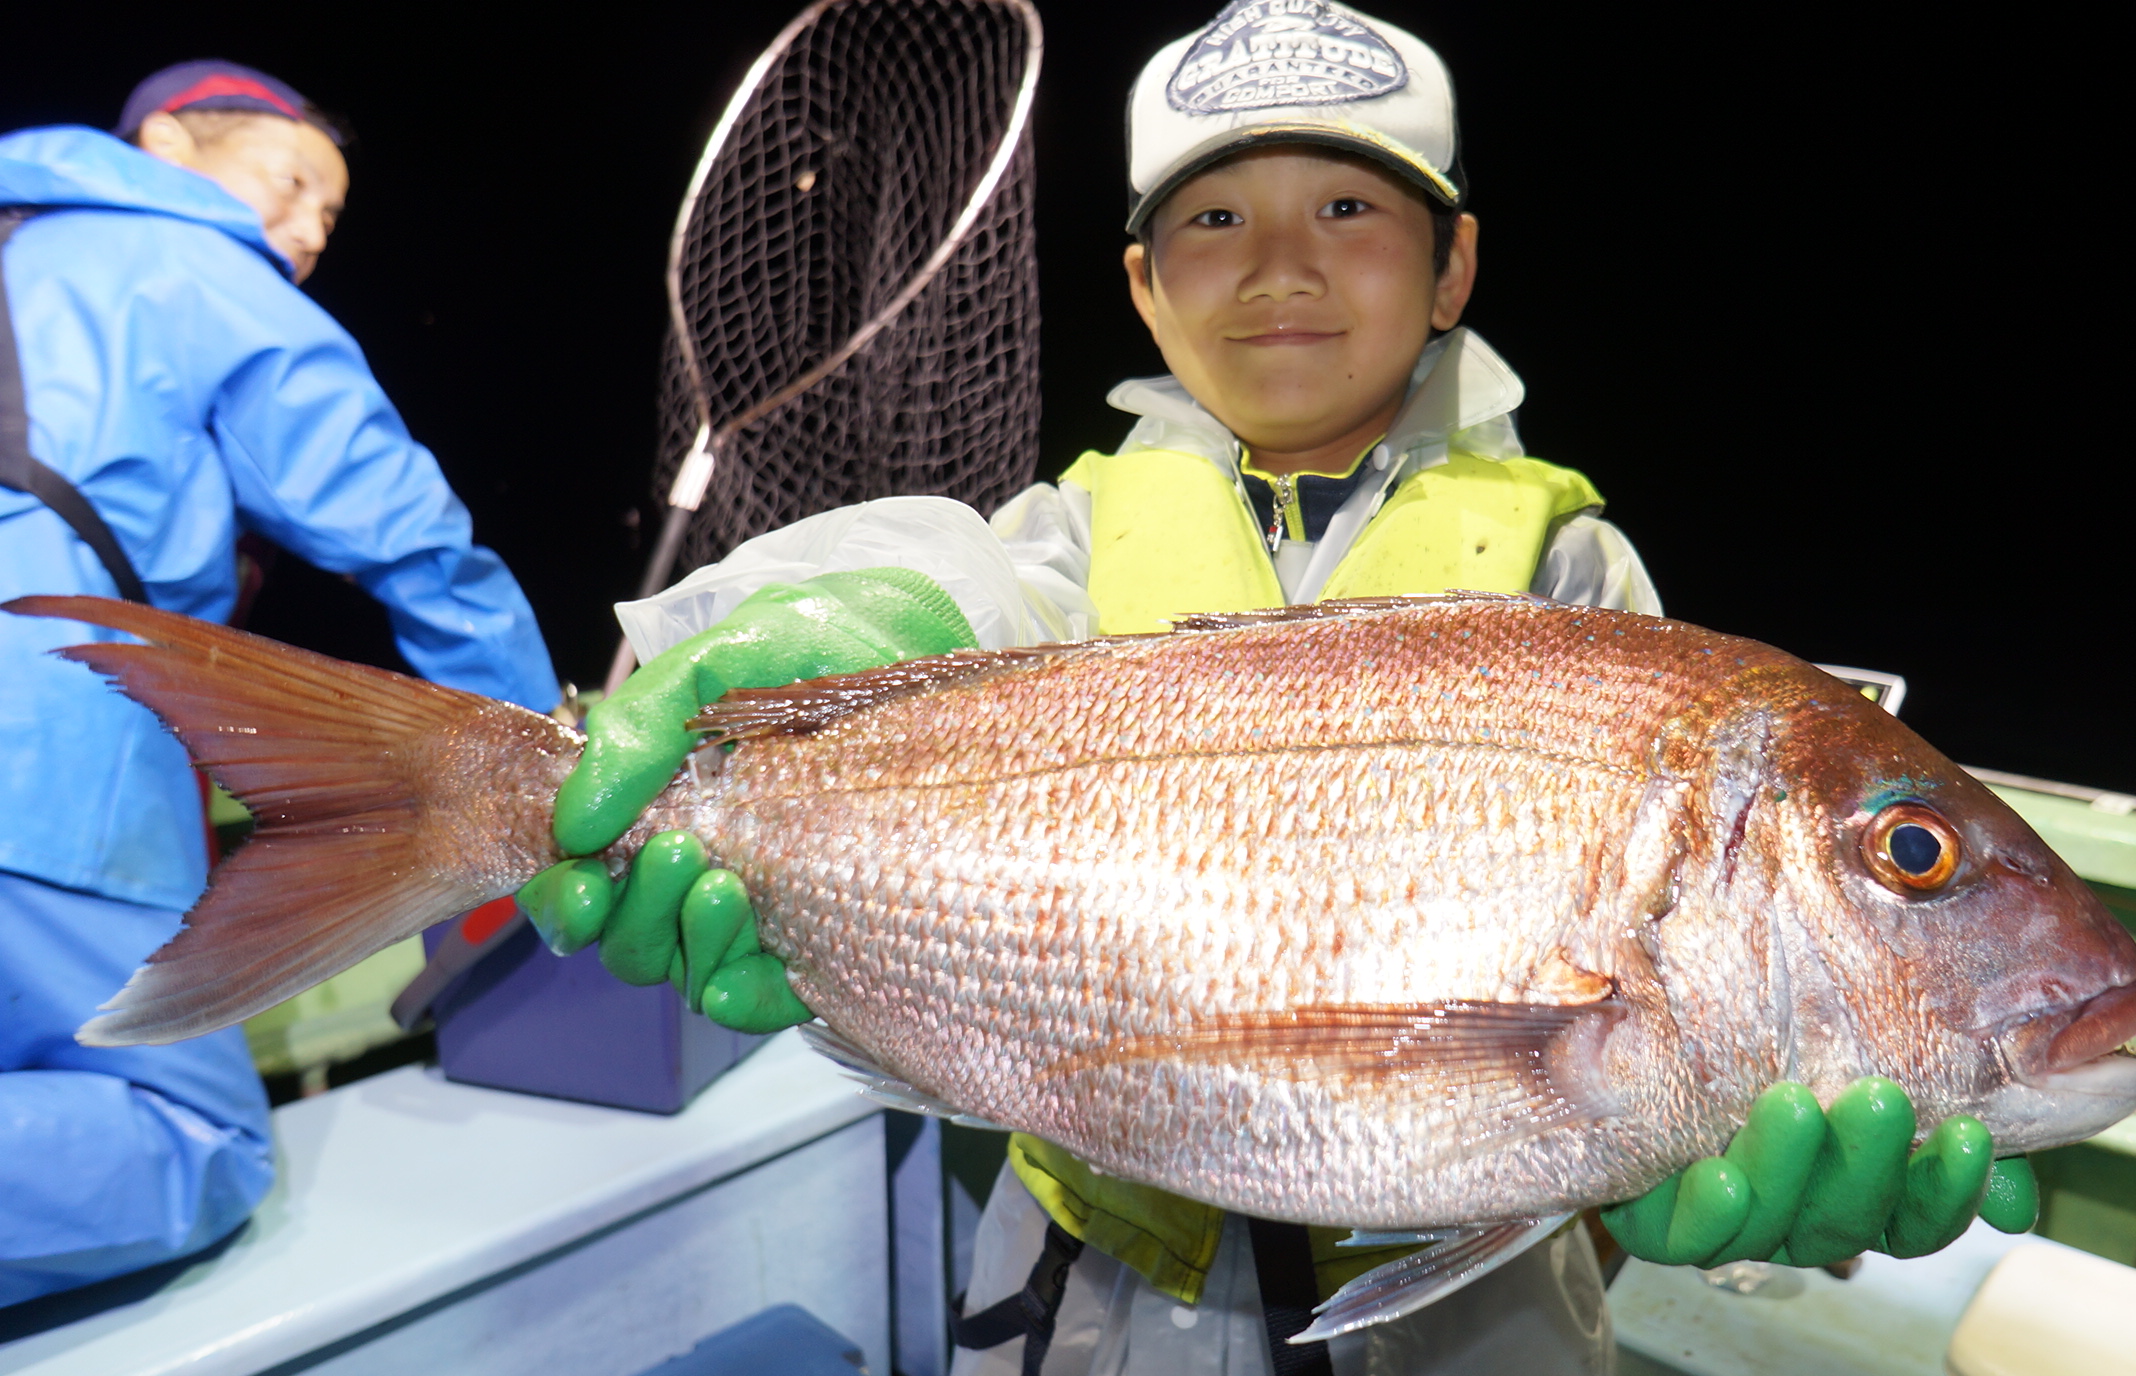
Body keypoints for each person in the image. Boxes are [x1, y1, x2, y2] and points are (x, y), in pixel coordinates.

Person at [521, 6, 2030, 1373]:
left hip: (1478, 1324)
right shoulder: (1071, 538)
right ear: (1144, 286)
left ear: (1453, 267)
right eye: (1216, 216)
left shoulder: (1575, 577)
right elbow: (977, 593)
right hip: (1091, 1299)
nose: (1280, 265)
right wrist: (862, 621)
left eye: (1350, 208)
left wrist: (1685, 1160)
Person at [0, 60, 558, 1308]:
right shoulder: (198, 267)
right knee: (192, 1133)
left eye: (330, 217)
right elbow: (413, 540)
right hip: (43, 761)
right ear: (167, 144)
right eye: (293, 182)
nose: (307, 230)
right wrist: (542, 752)